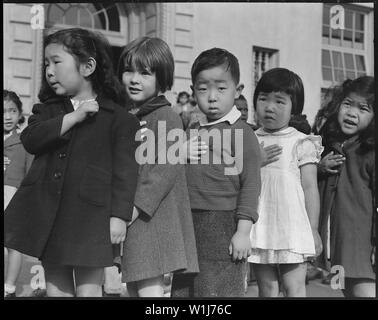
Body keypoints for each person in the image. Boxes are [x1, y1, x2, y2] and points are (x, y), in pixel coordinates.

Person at [4, 28, 140, 297]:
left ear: (87, 66)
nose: (49, 71)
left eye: (56, 62)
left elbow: (126, 172)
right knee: (56, 291)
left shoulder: (119, 117)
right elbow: (31, 139)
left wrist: (119, 217)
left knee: (89, 290)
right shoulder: (49, 110)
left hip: (91, 218)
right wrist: (74, 117)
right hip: (49, 215)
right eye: (46, 64)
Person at [171, 48, 262, 297]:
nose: (212, 97)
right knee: (184, 292)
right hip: (188, 221)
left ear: (238, 90)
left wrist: (243, 232)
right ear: (193, 91)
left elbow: (251, 185)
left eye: (221, 89)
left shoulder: (243, 133)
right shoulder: (192, 129)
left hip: (223, 224)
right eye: (203, 89)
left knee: (217, 293)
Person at [117, 36, 199, 297]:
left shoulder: (167, 116)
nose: (134, 79)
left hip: (150, 215)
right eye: (129, 70)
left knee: (149, 289)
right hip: (136, 214)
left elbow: (164, 170)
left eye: (145, 73)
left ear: (161, 78)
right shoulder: (132, 116)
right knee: (134, 286)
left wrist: (134, 208)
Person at [249, 68, 323, 297]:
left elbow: (310, 188)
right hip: (259, 227)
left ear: (294, 108)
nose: (269, 107)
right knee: (267, 290)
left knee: (295, 288)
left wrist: (313, 229)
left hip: (292, 229)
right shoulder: (249, 139)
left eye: (279, 101)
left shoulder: (301, 142)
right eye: (263, 99)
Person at [317, 76, 375, 297]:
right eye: (347, 104)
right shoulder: (330, 145)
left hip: (363, 247)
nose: (352, 113)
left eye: (363, 108)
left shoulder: (369, 151)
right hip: (337, 246)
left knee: (365, 293)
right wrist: (319, 168)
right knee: (346, 293)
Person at [3, 90, 34, 298]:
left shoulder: (25, 141)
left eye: (12, 111)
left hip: (13, 196)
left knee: (13, 245)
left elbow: (30, 173)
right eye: (3, 111)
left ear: (19, 113)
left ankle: (10, 287)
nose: (7, 116)